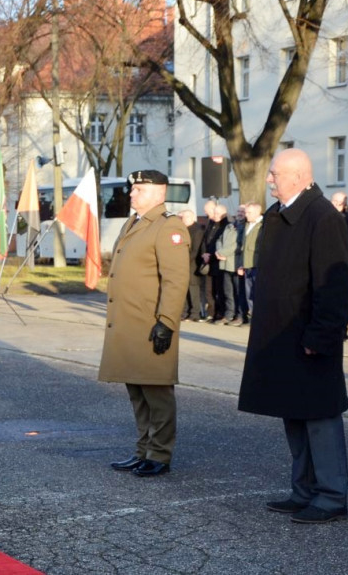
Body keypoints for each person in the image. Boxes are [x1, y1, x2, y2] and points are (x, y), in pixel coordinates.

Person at [238, 148, 348, 524]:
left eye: (275, 174)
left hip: (309, 336)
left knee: (320, 417)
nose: (269, 179)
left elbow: (333, 285)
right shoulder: (278, 214)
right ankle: (303, 491)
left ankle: (332, 496)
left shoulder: (323, 217)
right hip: (282, 336)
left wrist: (320, 336)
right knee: (294, 414)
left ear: (300, 176)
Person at [101, 170, 190, 477]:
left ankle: (160, 454)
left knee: (157, 393)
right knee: (137, 391)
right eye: (133, 189)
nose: (132, 194)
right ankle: (143, 450)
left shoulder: (169, 227)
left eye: (139, 189)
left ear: (158, 193)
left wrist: (166, 321)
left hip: (150, 325)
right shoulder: (134, 222)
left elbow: (176, 280)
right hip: (130, 323)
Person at [179, 209, 206, 322]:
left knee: (193, 289)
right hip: (183, 264)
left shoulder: (197, 230)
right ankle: (185, 311)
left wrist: (184, 261)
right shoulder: (183, 229)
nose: (182, 220)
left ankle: (195, 313)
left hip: (192, 264)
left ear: (191, 217)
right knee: (185, 289)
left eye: (184, 218)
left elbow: (195, 250)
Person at [238, 203, 263, 317]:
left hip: (257, 264)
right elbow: (243, 246)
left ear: (257, 212)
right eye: (246, 212)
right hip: (247, 264)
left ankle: (258, 316)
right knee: (249, 292)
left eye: (249, 212)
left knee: (257, 292)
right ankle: (252, 315)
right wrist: (241, 264)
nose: (246, 215)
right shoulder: (247, 225)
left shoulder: (263, 225)